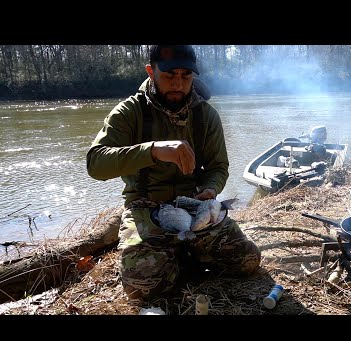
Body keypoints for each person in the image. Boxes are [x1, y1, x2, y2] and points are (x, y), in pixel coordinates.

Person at [86, 45, 261, 304]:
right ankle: (183, 255)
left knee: (247, 262)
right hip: (146, 209)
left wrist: (211, 190)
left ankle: (183, 251)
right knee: (142, 288)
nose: (178, 84)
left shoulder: (206, 115)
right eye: (169, 75)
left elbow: (218, 167)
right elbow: (95, 164)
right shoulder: (129, 112)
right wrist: (153, 150)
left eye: (186, 76)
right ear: (151, 71)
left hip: (194, 206)